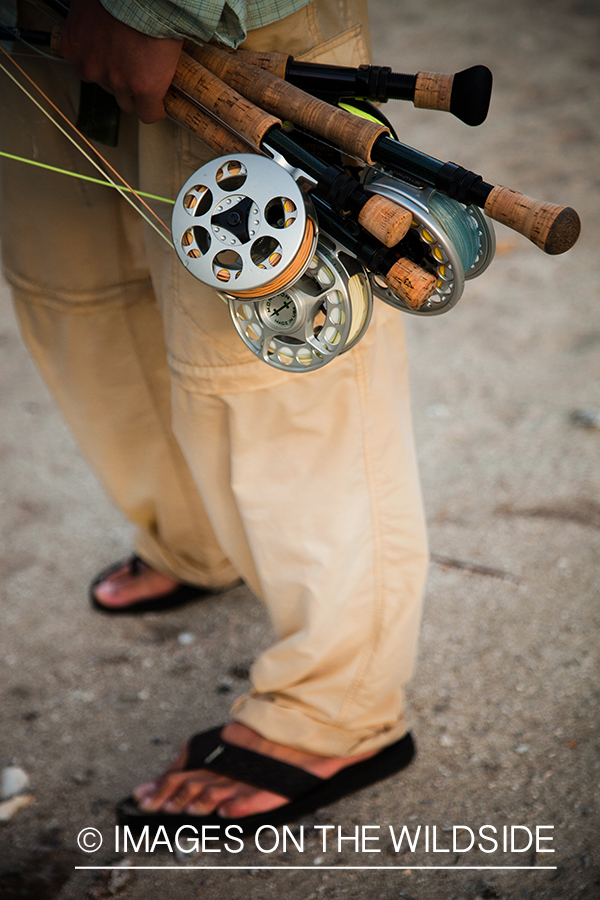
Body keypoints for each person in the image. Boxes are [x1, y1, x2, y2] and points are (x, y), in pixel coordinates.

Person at [0, 0, 428, 830]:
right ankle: (196, 536)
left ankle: (335, 711)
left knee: (257, 354)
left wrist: (155, 8)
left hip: (219, 20)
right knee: (82, 290)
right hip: (32, 27)